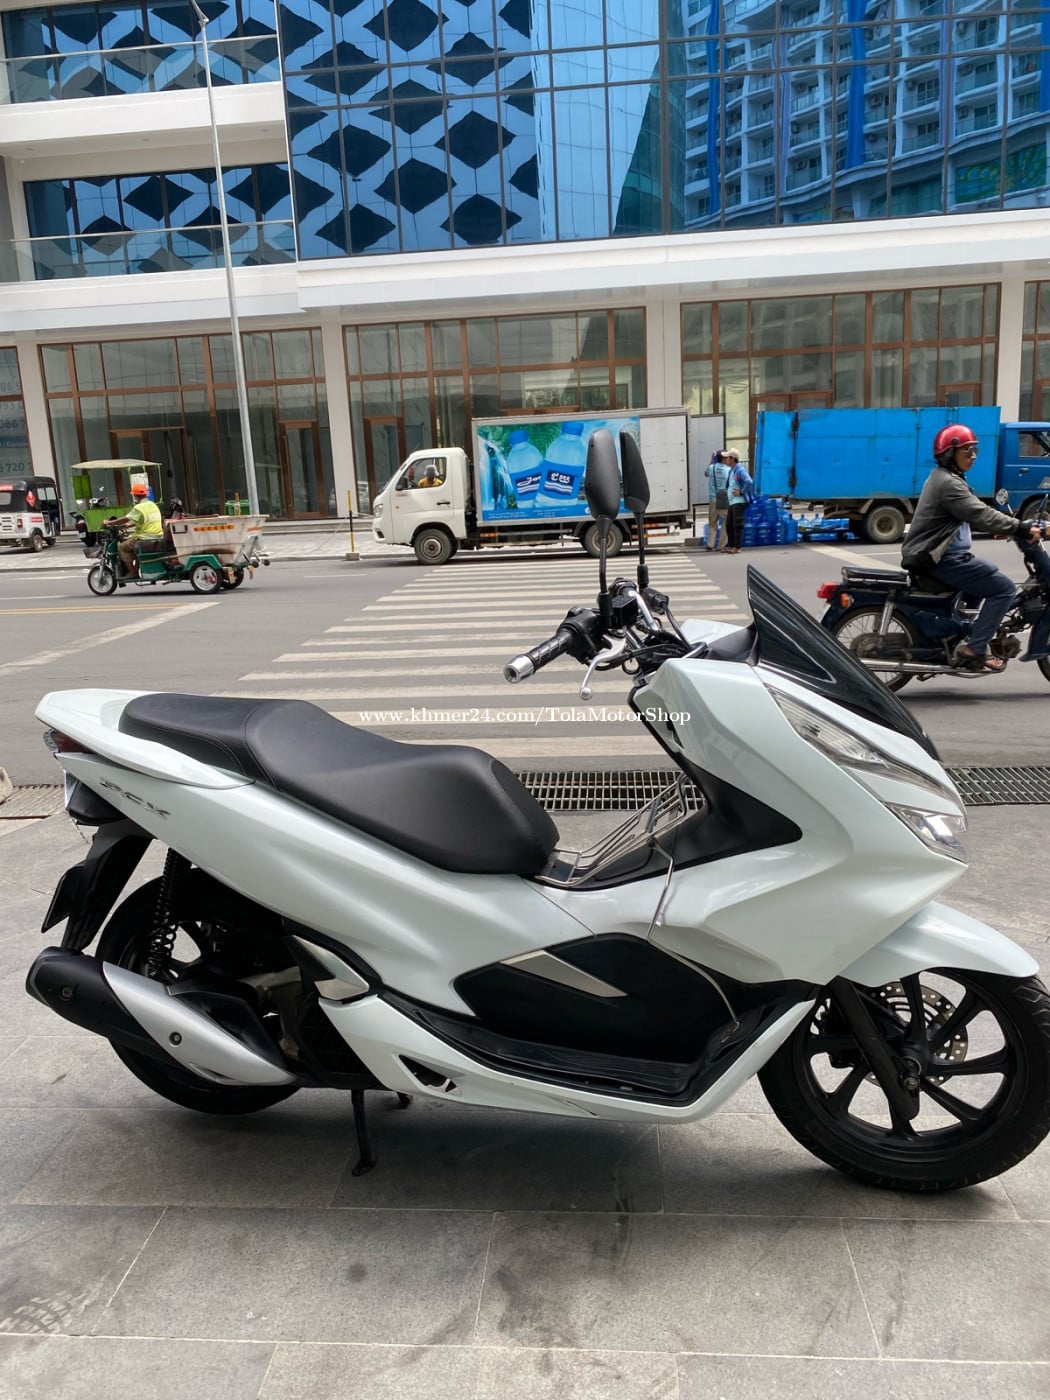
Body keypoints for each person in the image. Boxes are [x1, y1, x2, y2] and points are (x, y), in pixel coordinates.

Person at [902, 423, 1043, 673]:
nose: (974, 456)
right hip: (939, 557)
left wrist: (1004, 527)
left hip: (942, 554)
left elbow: (969, 515)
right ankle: (975, 648)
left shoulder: (946, 478)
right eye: (968, 451)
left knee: (987, 572)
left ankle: (965, 632)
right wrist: (1019, 528)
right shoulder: (948, 483)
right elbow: (978, 513)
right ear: (950, 453)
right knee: (1004, 589)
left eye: (975, 450)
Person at [105, 481, 164, 577]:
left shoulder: (139, 507)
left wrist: (109, 522)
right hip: (157, 536)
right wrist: (128, 525)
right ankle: (136, 568)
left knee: (122, 548)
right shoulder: (153, 505)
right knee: (131, 545)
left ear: (135, 496)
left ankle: (133, 573)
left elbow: (125, 518)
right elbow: (144, 520)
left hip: (145, 538)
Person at [723, 450, 754, 554]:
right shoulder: (732, 470)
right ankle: (731, 545)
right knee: (729, 524)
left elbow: (749, 481)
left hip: (739, 501)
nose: (726, 459)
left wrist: (741, 491)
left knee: (737, 525)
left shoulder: (740, 470)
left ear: (732, 459)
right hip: (732, 501)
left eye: (727, 457)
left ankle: (737, 547)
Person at [705, 451, 730, 551]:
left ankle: (710, 544)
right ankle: (722, 545)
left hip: (713, 499)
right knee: (726, 521)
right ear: (724, 459)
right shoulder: (728, 470)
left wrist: (711, 460)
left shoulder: (711, 468)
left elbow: (705, 473)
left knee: (712, 522)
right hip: (723, 499)